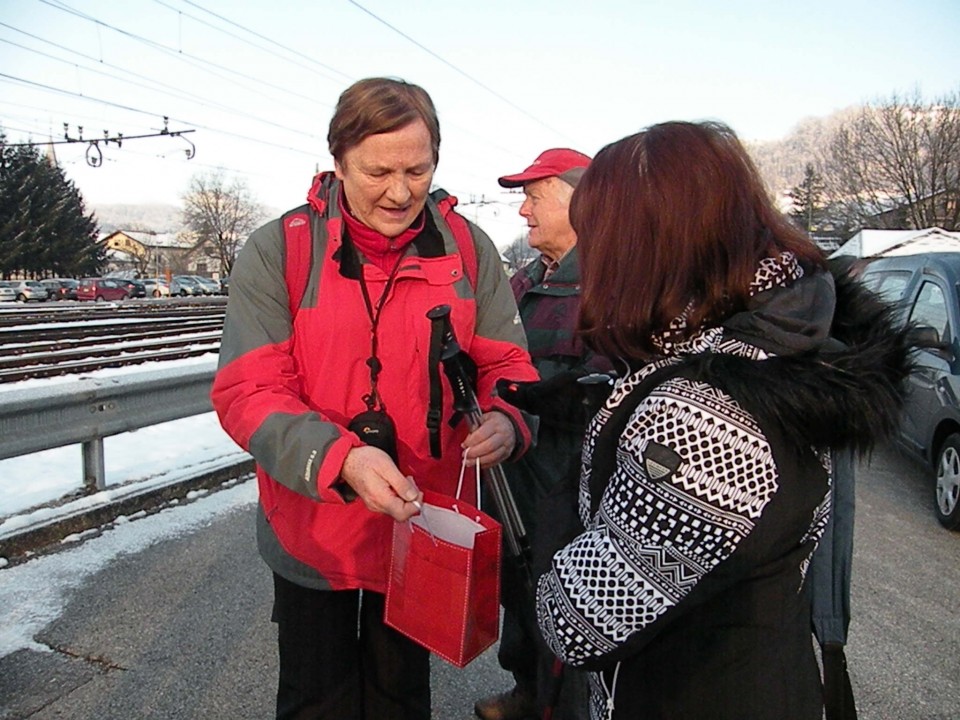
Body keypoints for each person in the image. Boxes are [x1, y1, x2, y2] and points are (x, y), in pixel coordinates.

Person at [534, 121, 914, 719]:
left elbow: (574, 621)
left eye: (598, 237)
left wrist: (554, 505)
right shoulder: (774, 346)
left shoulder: (700, 419)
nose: (591, 261)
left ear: (642, 247)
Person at [211, 77, 539, 720]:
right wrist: (342, 460)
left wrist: (507, 418)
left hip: (420, 524)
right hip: (315, 523)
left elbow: (509, 365)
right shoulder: (282, 250)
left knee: (400, 696)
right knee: (316, 696)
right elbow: (248, 390)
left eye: (418, 170)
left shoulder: (468, 250)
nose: (399, 191)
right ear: (336, 163)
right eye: (377, 171)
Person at [474, 148, 597, 720]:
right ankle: (527, 693)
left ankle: (563, 708)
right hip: (515, 479)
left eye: (534, 195)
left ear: (581, 199)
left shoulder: (609, 288)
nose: (522, 211)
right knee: (519, 593)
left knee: (567, 602)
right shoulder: (522, 283)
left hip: (569, 486)